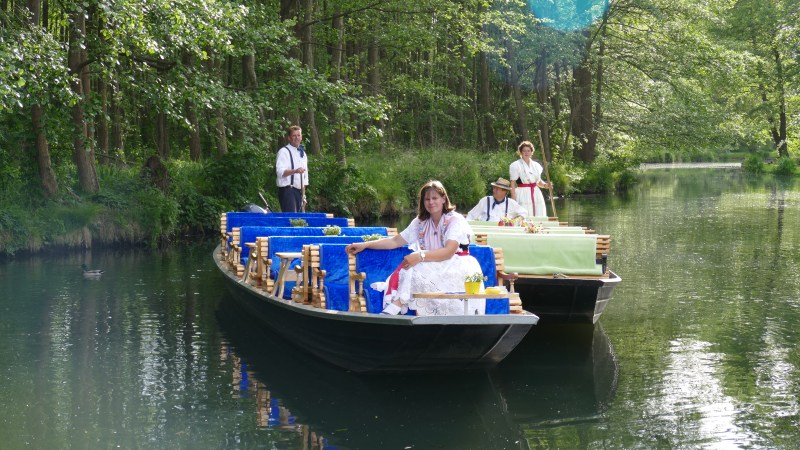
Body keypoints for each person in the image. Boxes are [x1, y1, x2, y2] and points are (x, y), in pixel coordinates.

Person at [346, 180, 483, 316]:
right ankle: (401, 309)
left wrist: (420, 256)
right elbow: (395, 241)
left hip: (456, 265)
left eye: (434, 198)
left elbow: (448, 252)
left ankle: (396, 305)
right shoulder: (421, 222)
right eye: (427, 199)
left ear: (443, 199)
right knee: (412, 267)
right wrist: (365, 245)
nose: (431, 202)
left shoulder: (455, 220)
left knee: (414, 267)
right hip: (433, 264)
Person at [509, 140, 553, 217]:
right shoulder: (516, 165)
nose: (526, 153)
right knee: (524, 214)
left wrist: (546, 185)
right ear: (520, 152)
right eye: (524, 151)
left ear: (531, 152)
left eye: (528, 151)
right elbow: (512, 183)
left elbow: (538, 182)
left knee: (538, 214)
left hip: (536, 193)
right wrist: (513, 199)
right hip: (522, 193)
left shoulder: (536, 166)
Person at [275, 125, 308, 212]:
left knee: (300, 221)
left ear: (301, 137)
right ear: (289, 138)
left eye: (299, 135)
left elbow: (304, 178)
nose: (297, 138)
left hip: (299, 192)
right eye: (294, 135)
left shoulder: (303, 154)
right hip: (288, 191)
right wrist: (295, 171)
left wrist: (304, 196)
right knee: (292, 219)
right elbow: (280, 172)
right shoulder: (284, 152)